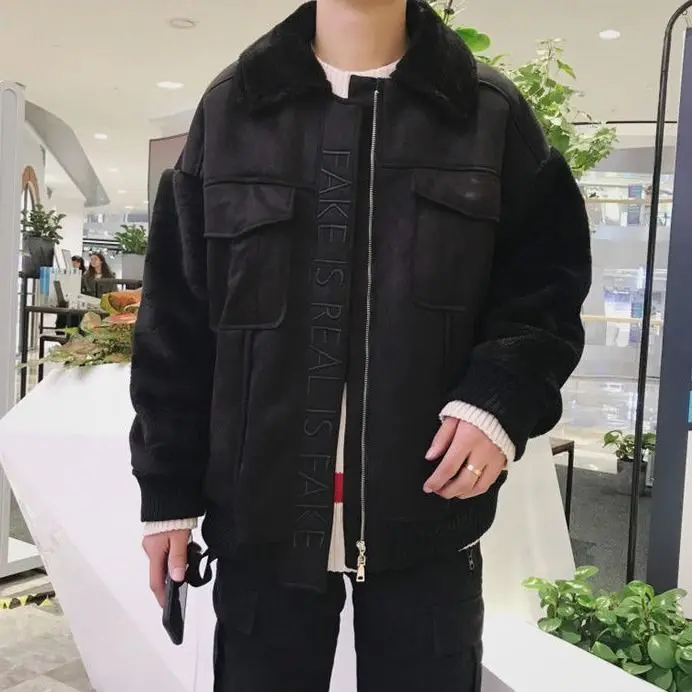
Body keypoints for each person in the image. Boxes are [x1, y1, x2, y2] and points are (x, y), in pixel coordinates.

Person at [130, 1, 591, 690]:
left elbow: (547, 284)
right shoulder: (233, 109)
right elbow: (176, 319)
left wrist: (499, 398)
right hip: (260, 520)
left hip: (428, 517)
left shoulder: (485, 112)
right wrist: (167, 491)